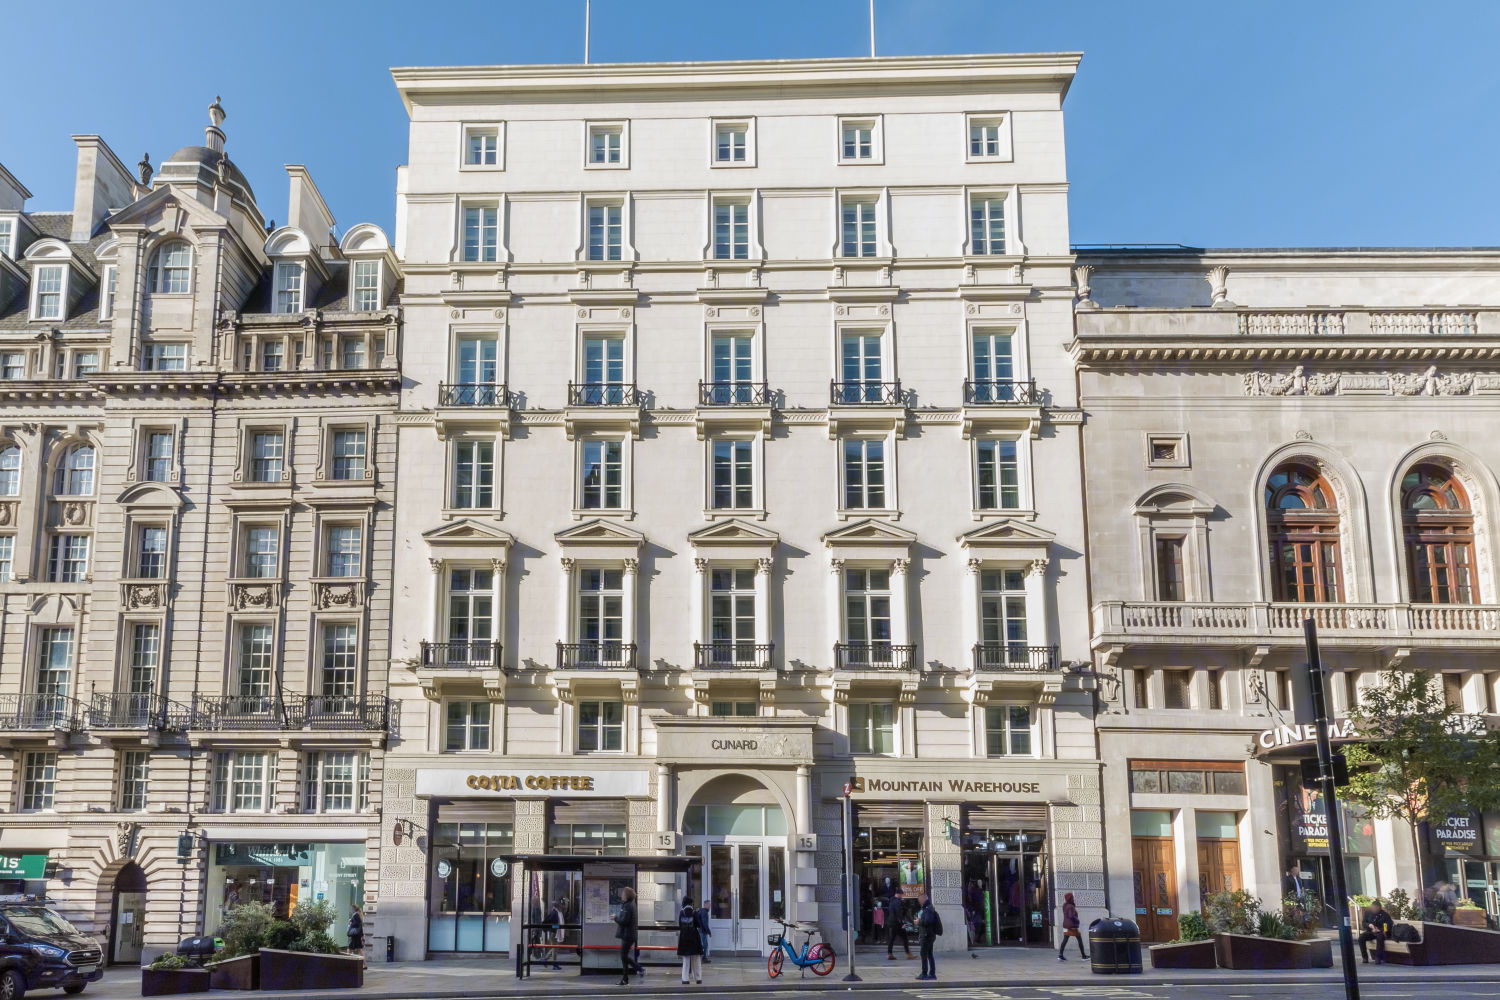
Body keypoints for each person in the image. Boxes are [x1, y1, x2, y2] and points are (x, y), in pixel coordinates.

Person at [614, 887, 640, 985]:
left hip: (627, 935)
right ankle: (625, 978)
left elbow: (624, 921)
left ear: (626, 895)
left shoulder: (627, 906)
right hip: (629, 934)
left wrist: (615, 918)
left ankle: (637, 968)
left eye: (623, 894)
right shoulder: (630, 904)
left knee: (623, 956)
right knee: (624, 956)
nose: (622, 895)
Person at [677, 896, 704, 984]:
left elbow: (680, 925)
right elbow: (699, 925)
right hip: (694, 938)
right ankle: (698, 978)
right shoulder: (694, 912)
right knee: (696, 959)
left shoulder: (681, 913)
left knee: (686, 959)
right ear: (691, 904)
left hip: (684, 938)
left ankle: (685, 979)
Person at [916, 892, 942, 981]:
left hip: (926, 935)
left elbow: (928, 922)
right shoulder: (928, 908)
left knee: (924, 954)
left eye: (920, 900)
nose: (919, 902)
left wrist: (918, 922)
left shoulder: (927, 909)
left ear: (923, 899)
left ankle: (924, 973)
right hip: (929, 935)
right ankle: (932, 974)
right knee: (929, 954)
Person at [1359, 899, 1393, 965]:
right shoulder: (1367, 913)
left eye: (1376, 909)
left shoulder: (1385, 915)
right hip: (1371, 931)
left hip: (1380, 932)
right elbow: (1364, 923)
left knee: (1380, 938)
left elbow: (1388, 925)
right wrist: (1369, 925)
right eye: (1373, 908)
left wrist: (1380, 930)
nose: (1374, 910)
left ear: (1379, 908)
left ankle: (1378, 958)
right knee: (1361, 938)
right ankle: (1365, 957)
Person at [885, 887, 914, 960]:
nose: (902, 896)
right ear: (898, 894)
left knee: (891, 939)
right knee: (904, 938)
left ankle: (889, 954)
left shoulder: (891, 901)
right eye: (901, 894)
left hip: (891, 922)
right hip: (897, 923)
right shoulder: (898, 902)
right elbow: (899, 914)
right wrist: (902, 924)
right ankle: (908, 954)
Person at [1057, 892, 1087, 961]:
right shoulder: (1070, 906)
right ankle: (1084, 956)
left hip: (1066, 925)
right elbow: (1071, 916)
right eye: (1072, 897)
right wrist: (1077, 920)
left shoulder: (1065, 905)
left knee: (1065, 939)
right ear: (1070, 899)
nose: (1073, 899)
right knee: (1079, 938)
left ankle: (1060, 955)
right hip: (1071, 925)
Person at [545, 898, 566, 971]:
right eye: (561, 905)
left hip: (557, 933)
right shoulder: (554, 913)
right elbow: (552, 924)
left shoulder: (559, 913)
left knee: (555, 948)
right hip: (554, 933)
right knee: (555, 948)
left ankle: (545, 959)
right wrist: (557, 927)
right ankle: (554, 964)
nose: (562, 906)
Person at [346, 902, 365, 968]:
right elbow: (360, 926)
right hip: (357, 935)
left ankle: (347, 964)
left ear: (353, 909)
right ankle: (364, 964)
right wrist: (362, 936)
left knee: (349, 949)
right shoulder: (357, 915)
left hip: (355, 936)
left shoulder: (356, 915)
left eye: (351, 909)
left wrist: (351, 922)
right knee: (359, 950)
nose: (350, 910)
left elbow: (358, 924)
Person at [694, 898, 713, 963]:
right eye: (709, 905)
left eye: (710, 905)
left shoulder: (701, 911)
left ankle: (702, 958)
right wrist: (709, 932)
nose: (710, 906)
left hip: (700, 930)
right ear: (705, 905)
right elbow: (704, 923)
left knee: (703, 944)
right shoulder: (704, 912)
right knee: (704, 945)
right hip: (702, 930)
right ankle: (703, 958)